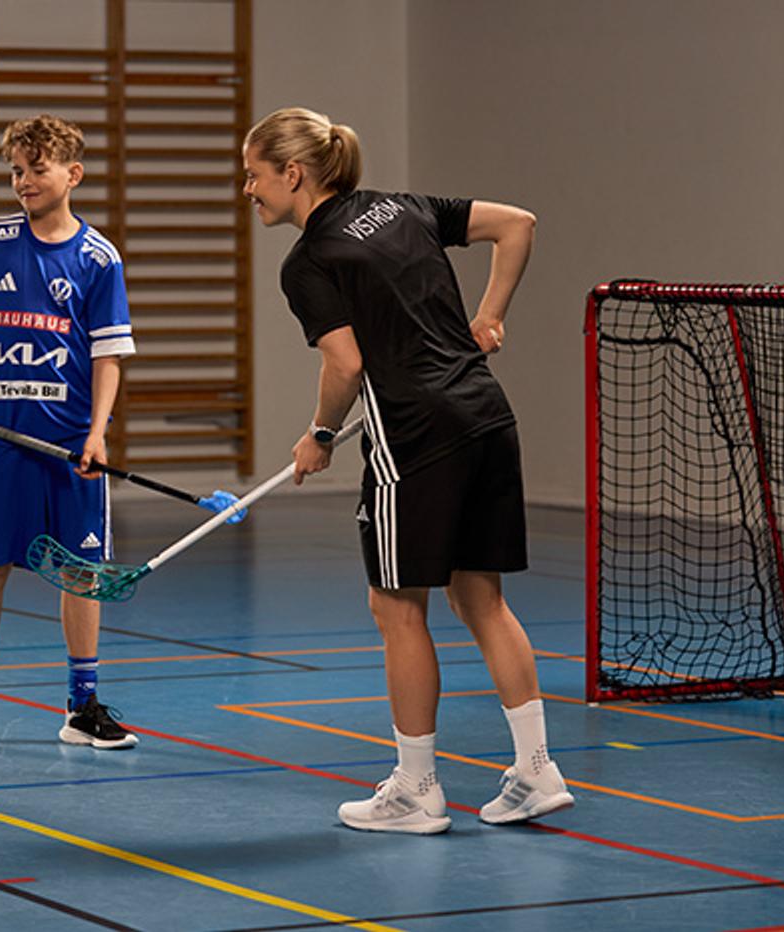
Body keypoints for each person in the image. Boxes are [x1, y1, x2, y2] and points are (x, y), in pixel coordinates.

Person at [242, 106, 573, 833]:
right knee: (480, 601)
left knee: (396, 609)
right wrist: (487, 316)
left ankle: (416, 790)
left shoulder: (308, 262)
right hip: (486, 416)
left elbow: (347, 362)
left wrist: (320, 434)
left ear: (292, 174)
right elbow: (519, 222)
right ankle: (535, 769)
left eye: (254, 175)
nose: (248, 190)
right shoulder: (403, 207)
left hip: (415, 435)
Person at [0, 114, 138, 754]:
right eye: (16, 170)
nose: (23, 181)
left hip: (72, 447)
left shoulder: (99, 258)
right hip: (6, 442)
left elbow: (107, 357)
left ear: (72, 174)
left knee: (81, 572)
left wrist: (99, 433)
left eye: (36, 169)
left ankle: (82, 706)